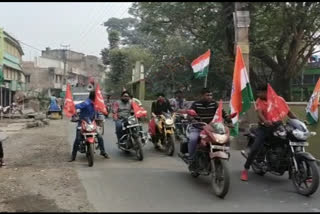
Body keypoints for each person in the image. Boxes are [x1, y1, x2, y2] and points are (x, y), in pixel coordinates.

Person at [240, 84, 297, 181]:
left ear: (267, 92)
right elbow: (260, 114)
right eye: (257, 92)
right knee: (255, 148)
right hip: (264, 127)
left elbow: (289, 112)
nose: (258, 94)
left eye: (260, 92)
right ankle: (245, 170)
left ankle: (294, 171)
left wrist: (298, 121)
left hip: (278, 126)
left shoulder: (279, 100)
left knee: (290, 142)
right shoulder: (259, 101)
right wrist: (265, 121)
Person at [186, 88, 231, 160]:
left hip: (212, 128)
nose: (210, 97)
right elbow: (190, 115)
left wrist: (229, 120)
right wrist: (192, 119)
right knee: (193, 139)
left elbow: (222, 113)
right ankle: (191, 158)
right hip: (198, 127)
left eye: (211, 95)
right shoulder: (196, 104)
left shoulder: (214, 104)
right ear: (202, 96)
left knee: (226, 138)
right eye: (207, 95)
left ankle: (225, 153)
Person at [69, 91, 110, 162]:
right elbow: (75, 107)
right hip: (82, 123)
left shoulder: (97, 104)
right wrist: (74, 116)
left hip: (92, 123)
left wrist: (101, 118)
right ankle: (73, 156)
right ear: (94, 97)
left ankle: (103, 152)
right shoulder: (86, 103)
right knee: (78, 139)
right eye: (98, 96)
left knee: (100, 137)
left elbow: (99, 113)